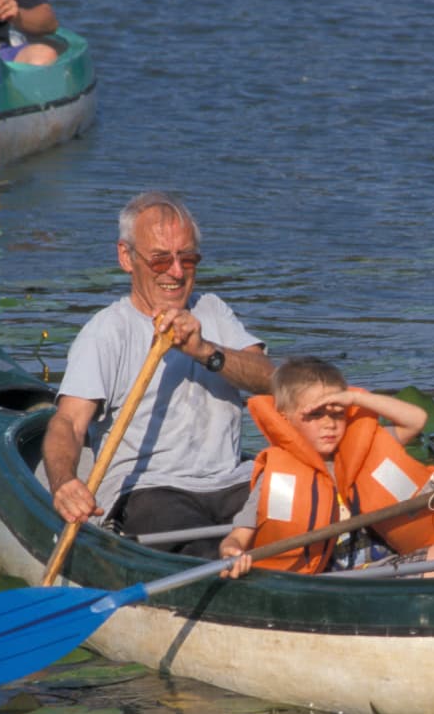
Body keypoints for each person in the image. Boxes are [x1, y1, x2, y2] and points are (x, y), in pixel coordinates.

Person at [41, 192, 274, 557]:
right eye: (161, 259)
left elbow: (272, 380)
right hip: (152, 490)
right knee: (202, 550)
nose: (176, 272)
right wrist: (64, 482)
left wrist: (205, 351)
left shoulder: (212, 311)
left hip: (232, 481)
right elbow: (68, 423)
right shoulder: (107, 331)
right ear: (126, 257)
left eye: (188, 258)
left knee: (307, 515)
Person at [218, 356, 434, 577]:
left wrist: (357, 398)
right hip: (326, 586)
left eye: (337, 413)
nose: (329, 424)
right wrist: (232, 553)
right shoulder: (277, 475)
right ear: (286, 418)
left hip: (389, 572)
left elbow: (416, 420)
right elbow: (237, 537)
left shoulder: (363, 449)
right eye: (315, 415)